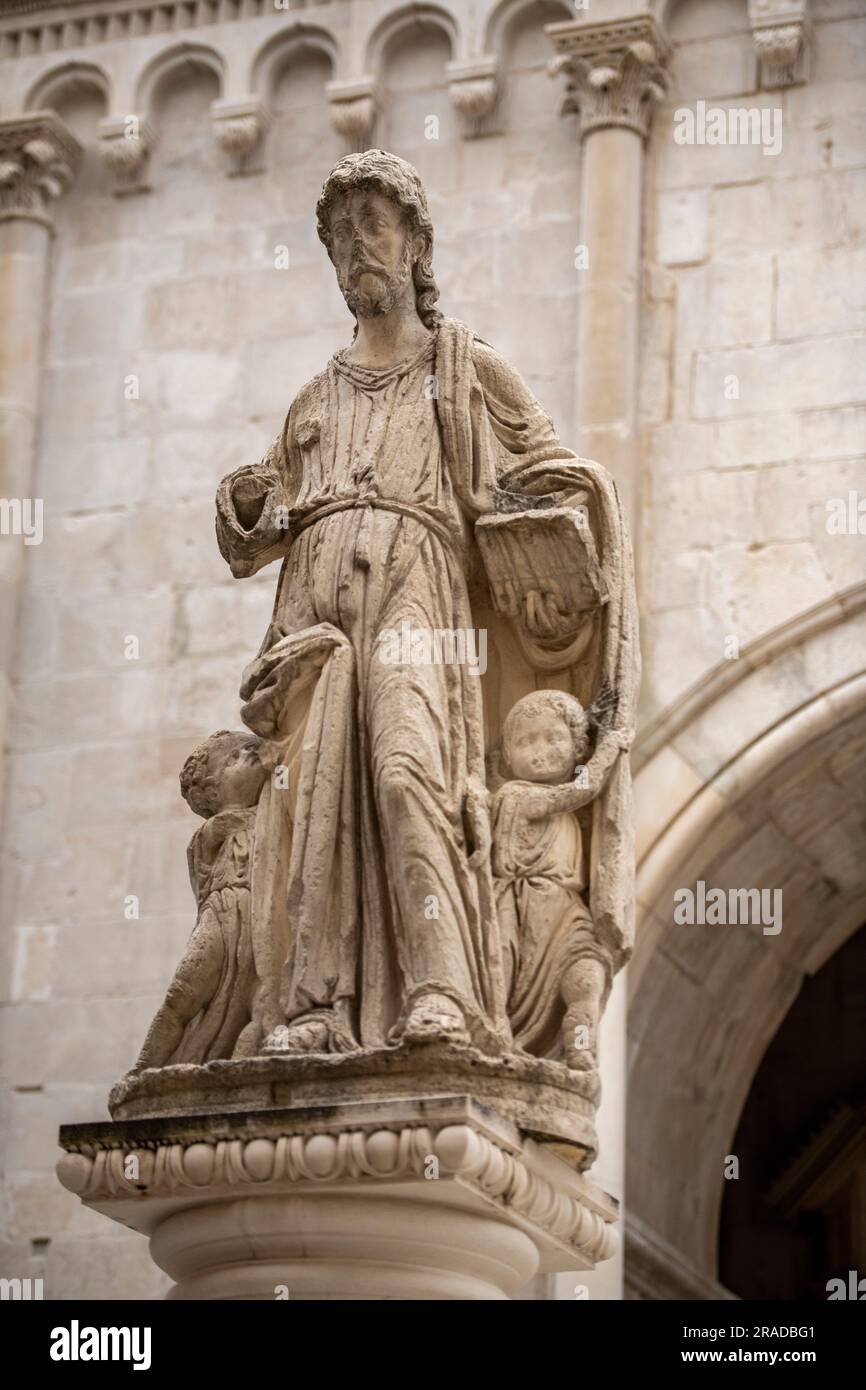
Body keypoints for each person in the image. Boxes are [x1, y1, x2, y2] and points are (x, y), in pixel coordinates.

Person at [132, 730, 267, 1069]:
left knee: (261, 999)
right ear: (212, 789)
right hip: (222, 917)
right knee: (184, 993)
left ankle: (238, 1066)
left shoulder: (274, 817)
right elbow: (227, 830)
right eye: (236, 757)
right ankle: (146, 1066)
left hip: (264, 917)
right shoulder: (211, 833)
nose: (251, 756)